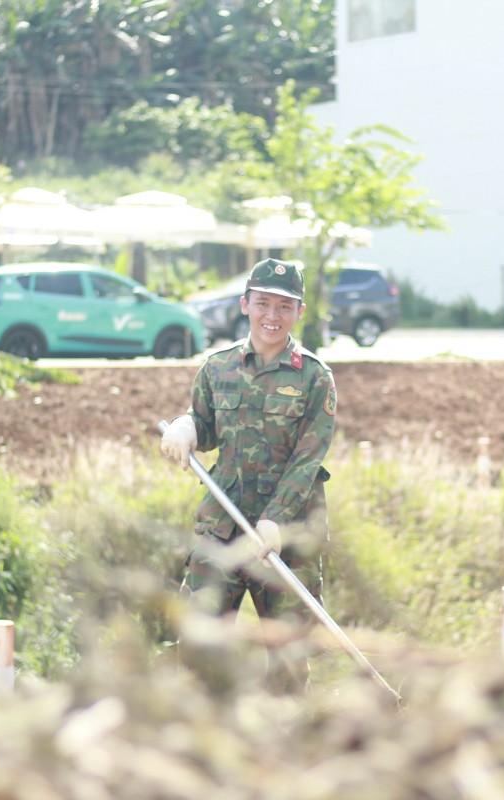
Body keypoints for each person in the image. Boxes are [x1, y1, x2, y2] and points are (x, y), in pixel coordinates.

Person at [161, 258, 336, 693]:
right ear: (245, 305)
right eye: (263, 304)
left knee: (288, 660)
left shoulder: (315, 377)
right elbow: (204, 425)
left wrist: (276, 518)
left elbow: (308, 459)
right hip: (223, 525)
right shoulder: (217, 368)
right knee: (200, 647)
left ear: (299, 312)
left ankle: (286, 730)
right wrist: (186, 425)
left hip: (287, 535)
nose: (272, 315)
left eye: (284, 306)